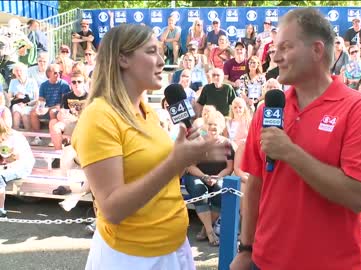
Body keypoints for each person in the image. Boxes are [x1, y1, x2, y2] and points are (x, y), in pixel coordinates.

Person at [230, 8, 361, 270]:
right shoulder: (268, 109)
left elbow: (357, 195)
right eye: (274, 48)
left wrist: (290, 152)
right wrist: (246, 248)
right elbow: (255, 184)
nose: (275, 56)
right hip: (263, 261)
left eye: (285, 47)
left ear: (316, 50)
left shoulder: (359, 109)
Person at [72, 24, 229, 270]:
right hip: (131, 257)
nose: (161, 60)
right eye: (151, 51)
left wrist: (186, 157)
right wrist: (175, 162)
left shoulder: (148, 113)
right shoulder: (100, 116)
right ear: (123, 58)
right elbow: (112, 208)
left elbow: (165, 180)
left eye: (161, 51)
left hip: (174, 246)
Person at [184, 110, 234, 247]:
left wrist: (217, 177)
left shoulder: (227, 144)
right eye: (210, 124)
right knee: (199, 189)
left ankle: (205, 229)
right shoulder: (199, 142)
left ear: (222, 127)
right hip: (197, 175)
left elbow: (229, 168)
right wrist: (204, 176)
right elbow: (190, 166)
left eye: (216, 124)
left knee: (219, 190)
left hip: (218, 177)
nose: (213, 127)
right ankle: (211, 232)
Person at [0, 117, 35, 218]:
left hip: (22, 165)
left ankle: (1, 211)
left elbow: (15, 158)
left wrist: (5, 161)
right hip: (8, 164)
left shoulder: (13, 136)